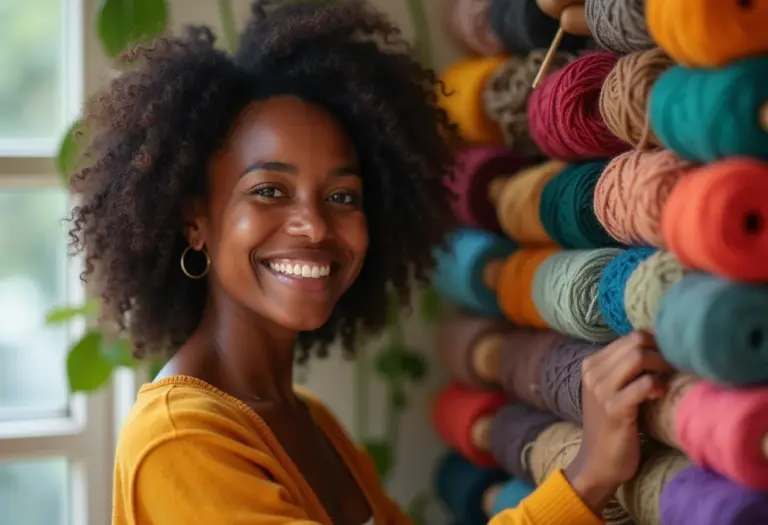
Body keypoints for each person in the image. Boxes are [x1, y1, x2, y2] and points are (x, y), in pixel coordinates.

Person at [68, 1, 673, 524]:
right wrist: (588, 476)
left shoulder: (312, 422)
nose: (313, 224)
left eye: (341, 197)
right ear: (194, 219)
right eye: (270, 191)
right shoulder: (180, 440)